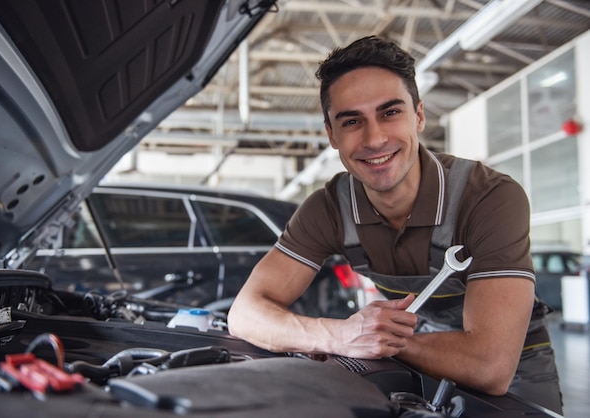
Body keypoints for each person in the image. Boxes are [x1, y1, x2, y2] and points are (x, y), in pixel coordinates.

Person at [227, 35, 562, 414]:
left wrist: (377, 340)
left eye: (390, 112)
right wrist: (340, 335)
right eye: (352, 121)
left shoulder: (487, 198)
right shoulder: (328, 209)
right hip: (417, 352)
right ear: (331, 135)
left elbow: (489, 366)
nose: (375, 139)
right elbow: (244, 314)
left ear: (418, 115)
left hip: (517, 363)